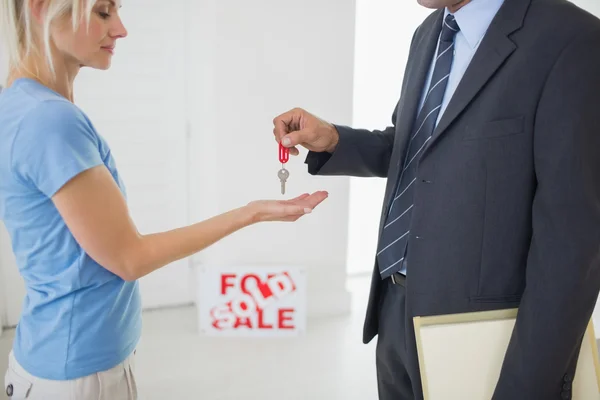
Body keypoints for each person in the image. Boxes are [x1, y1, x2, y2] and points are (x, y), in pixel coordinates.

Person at [0, 0, 328, 399]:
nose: (120, 29)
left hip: (63, 357)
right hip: (75, 371)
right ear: (41, 8)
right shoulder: (51, 121)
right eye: (103, 12)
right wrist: (252, 212)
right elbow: (129, 258)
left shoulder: (19, 102)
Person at [273, 0, 600, 398]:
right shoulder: (430, 32)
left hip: (488, 335)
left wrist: (528, 386)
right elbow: (418, 148)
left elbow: (572, 246)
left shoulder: (573, 40)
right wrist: (336, 140)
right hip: (395, 309)